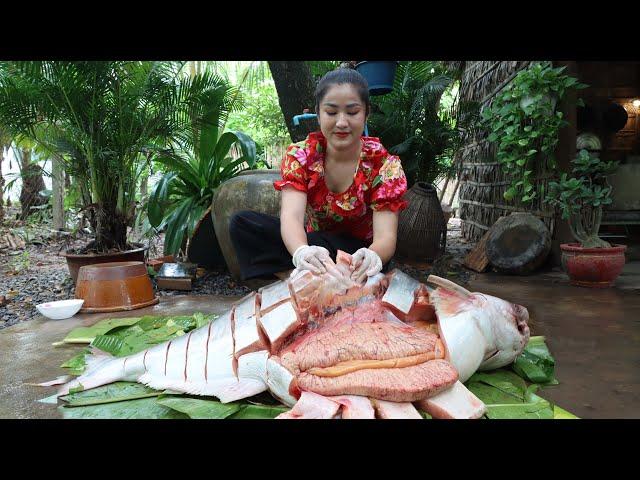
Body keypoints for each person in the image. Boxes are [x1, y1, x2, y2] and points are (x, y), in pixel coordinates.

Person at [229, 68, 408, 284]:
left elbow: (386, 239)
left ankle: (319, 280)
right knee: (243, 224)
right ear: (318, 112)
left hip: (359, 257)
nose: (342, 122)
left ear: (366, 113)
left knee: (331, 246)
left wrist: (373, 256)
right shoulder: (301, 155)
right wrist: (301, 251)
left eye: (352, 112)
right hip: (316, 251)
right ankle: (299, 276)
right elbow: (291, 217)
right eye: (331, 112)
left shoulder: (385, 166)